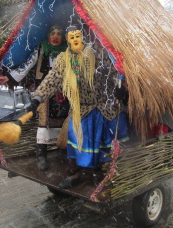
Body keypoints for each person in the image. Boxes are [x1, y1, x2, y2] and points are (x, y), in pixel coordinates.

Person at [26, 24, 129, 189]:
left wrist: (123, 90)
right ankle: (75, 174)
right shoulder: (66, 58)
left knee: (107, 145)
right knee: (76, 140)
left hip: (108, 109)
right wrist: (37, 99)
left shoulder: (109, 53)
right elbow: (53, 78)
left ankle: (102, 175)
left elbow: (125, 75)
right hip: (82, 109)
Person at [0, 24, 69, 171]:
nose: (55, 37)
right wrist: (9, 77)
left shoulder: (67, 52)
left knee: (63, 122)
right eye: (52, 33)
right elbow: (26, 66)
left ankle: (62, 151)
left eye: (59, 34)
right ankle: (41, 155)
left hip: (63, 93)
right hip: (43, 92)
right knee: (43, 121)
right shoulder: (41, 49)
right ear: (48, 35)